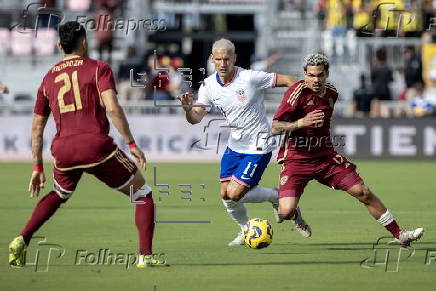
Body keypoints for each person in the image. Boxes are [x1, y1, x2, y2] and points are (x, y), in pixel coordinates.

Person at [8, 21, 168, 268]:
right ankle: (144, 256)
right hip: (95, 146)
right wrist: (131, 142)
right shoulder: (98, 68)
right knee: (142, 193)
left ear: (60, 46)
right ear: (84, 41)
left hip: (63, 150)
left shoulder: (48, 78)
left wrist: (37, 167)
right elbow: (112, 108)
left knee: (59, 193)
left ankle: (21, 238)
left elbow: (37, 127)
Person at [271, 53, 424, 247]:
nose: (315, 80)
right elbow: (275, 127)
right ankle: (295, 214)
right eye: (311, 75)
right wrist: (301, 123)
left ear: (327, 73)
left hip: (325, 158)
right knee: (285, 212)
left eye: (319, 75)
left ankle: (399, 234)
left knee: (363, 192)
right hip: (296, 159)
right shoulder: (296, 92)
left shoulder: (332, 93)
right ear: (304, 74)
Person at [178, 38, 312, 246]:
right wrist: (188, 109)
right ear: (212, 60)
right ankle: (246, 229)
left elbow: (288, 80)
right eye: (219, 59)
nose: (223, 64)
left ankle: (276, 197)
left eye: (227, 59)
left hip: (259, 144)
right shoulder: (208, 86)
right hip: (235, 144)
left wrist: (298, 105)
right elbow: (196, 118)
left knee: (235, 192)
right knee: (225, 194)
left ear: (235, 59)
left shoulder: (250, 78)